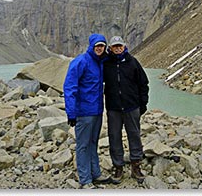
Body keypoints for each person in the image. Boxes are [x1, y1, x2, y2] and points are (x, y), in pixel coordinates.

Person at [63, 33, 110, 189]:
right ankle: (85, 179)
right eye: (97, 46)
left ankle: (95, 173)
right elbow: (70, 87)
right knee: (83, 145)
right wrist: (71, 113)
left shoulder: (101, 62)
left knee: (93, 143)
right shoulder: (81, 61)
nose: (99, 48)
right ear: (91, 46)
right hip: (83, 112)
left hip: (97, 111)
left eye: (102, 46)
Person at [103, 35, 149, 184]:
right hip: (114, 108)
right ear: (110, 48)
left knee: (134, 135)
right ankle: (118, 166)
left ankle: (136, 166)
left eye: (120, 46)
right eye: (115, 46)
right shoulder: (106, 64)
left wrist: (143, 104)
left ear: (124, 46)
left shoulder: (132, 62)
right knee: (114, 137)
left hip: (131, 107)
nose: (117, 49)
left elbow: (143, 83)